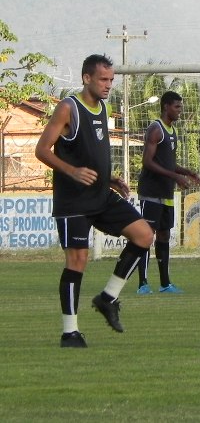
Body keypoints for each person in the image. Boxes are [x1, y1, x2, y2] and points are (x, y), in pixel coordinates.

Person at [35, 54, 154, 348]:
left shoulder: (104, 108)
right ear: (86, 78)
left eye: (111, 80)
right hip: (72, 202)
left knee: (144, 235)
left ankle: (108, 297)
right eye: (103, 79)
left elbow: (93, 151)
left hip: (101, 194)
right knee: (78, 260)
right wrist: (71, 171)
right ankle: (70, 332)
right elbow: (42, 150)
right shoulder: (68, 108)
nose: (108, 85)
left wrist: (109, 178)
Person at [136, 91, 200, 294]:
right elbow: (147, 162)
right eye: (177, 107)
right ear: (166, 107)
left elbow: (168, 163)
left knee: (163, 235)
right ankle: (143, 284)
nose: (180, 111)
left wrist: (186, 172)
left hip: (166, 193)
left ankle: (165, 284)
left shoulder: (172, 131)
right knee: (147, 236)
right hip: (151, 192)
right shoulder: (156, 129)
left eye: (180, 107)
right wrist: (175, 177)